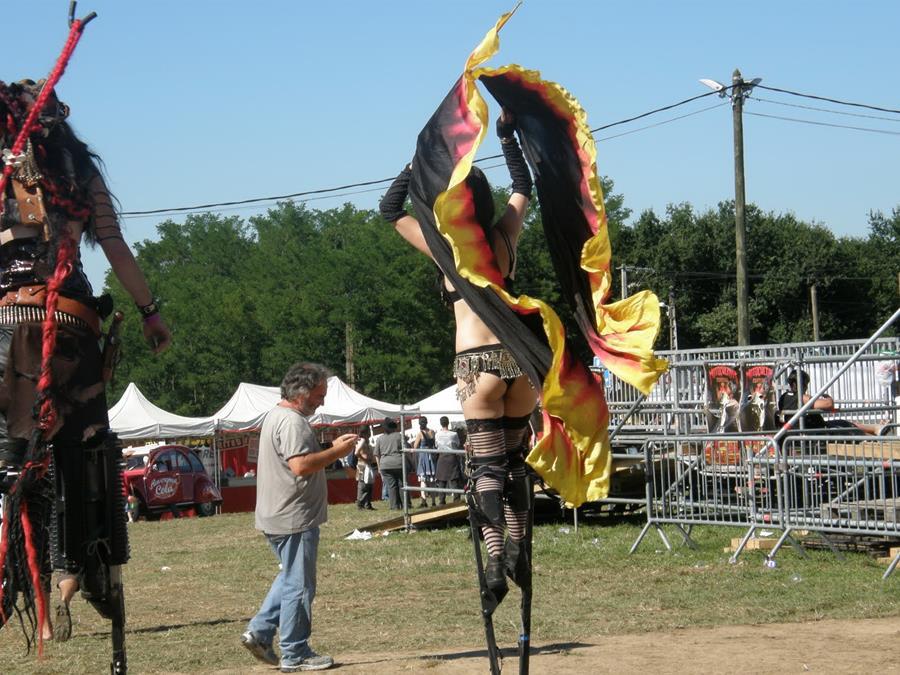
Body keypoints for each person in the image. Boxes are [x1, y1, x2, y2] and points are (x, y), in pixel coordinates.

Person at [0, 76, 171, 649]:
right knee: (78, 456)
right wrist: (150, 312)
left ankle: (18, 591)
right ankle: (72, 574)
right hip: (70, 324)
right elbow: (115, 245)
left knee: (12, 465)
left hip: (2, 326)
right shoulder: (80, 174)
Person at [380, 108, 537, 595]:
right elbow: (523, 186)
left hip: (478, 364)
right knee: (515, 467)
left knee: (486, 469)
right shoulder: (503, 237)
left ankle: (496, 562)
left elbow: (390, 210)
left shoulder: (446, 248)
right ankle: (518, 547)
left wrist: (418, 165)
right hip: (521, 364)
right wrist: (509, 136)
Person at [241, 362, 358, 673]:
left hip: (280, 514)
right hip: (294, 516)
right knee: (299, 586)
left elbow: (295, 457)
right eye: (319, 394)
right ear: (302, 392)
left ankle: (260, 633)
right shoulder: (292, 422)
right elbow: (301, 466)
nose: (322, 401)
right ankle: (295, 652)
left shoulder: (276, 416)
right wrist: (337, 451)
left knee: (290, 577)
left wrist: (328, 447)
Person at [373, 417, 406, 510]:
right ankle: (405, 504)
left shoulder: (379, 439)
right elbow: (405, 449)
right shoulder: (399, 436)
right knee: (401, 485)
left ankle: (394, 506)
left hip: (385, 465)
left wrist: (379, 467)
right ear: (393, 427)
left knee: (391, 486)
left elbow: (376, 454)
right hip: (398, 463)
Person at [434, 416, 464, 505]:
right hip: (451, 457)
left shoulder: (437, 434)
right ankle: (456, 500)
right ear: (448, 423)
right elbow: (457, 444)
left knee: (442, 480)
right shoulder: (453, 434)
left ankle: (442, 501)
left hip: (442, 457)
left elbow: (436, 445)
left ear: (441, 423)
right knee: (454, 479)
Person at [412, 416, 437, 508]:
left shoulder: (420, 434)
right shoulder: (432, 432)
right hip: (431, 455)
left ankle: (424, 501)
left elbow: (415, 446)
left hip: (423, 457)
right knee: (432, 480)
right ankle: (434, 501)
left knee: (423, 480)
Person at [354, 427, 376, 510]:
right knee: (363, 486)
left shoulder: (366, 442)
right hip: (362, 466)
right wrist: (365, 458)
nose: (369, 434)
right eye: (368, 432)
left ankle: (367, 504)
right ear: (364, 433)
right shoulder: (362, 441)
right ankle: (360, 504)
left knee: (369, 485)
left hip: (367, 464)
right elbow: (357, 453)